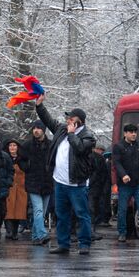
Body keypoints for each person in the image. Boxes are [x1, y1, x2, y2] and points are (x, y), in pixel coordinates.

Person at [35, 95, 96, 255]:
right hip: (60, 182)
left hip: (76, 183)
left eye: (71, 118)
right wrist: (40, 106)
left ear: (79, 121)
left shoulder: (87, 136)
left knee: (82, 214)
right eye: (67, 117)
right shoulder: (62, 129)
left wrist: (71, 134)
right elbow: (49, 121)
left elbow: (80, 149)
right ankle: (63, 244)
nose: (67, 120)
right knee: (61, 215)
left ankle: (84, 243)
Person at [112, 124, 139, 242]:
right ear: (125, 133)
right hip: (125, 183)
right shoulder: (119, 147)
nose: (133, 134)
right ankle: (122, 232)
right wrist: (123, 175)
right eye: (131, 132)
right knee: (122, 208)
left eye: (135, 132)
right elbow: (117, 163)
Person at [19, 120, 53, 245]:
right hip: (33, 182)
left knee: (42, 213)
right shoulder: (27, 145)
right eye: (34, 128)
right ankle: (42, 234)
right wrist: (27, 167)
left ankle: (35, 236)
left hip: (47, 182)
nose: (36, 130)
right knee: (38, 210)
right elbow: (20, 160)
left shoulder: (50, 145)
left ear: (43, 130)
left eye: (39, 128)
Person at [3, 139, 27, 240]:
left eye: (14, 145)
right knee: (8, 209)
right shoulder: (4, 158)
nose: (12, 147)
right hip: (9, 187)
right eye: (10, 145)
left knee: (19, 210)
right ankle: (9, 230)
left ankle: (15, 232)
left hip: (21, 188)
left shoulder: (22, 159)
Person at [0, 142, 14, 241]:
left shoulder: (5, 156)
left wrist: (8, 182)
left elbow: (10, 170)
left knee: (2, 210)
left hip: (3, 187)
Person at [89, 144, 109, 232]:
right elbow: (103, 174)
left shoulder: (86, 156)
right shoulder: (100, 158)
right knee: (93, 207)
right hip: (95, 187)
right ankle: (91, 229)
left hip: (90, 185)